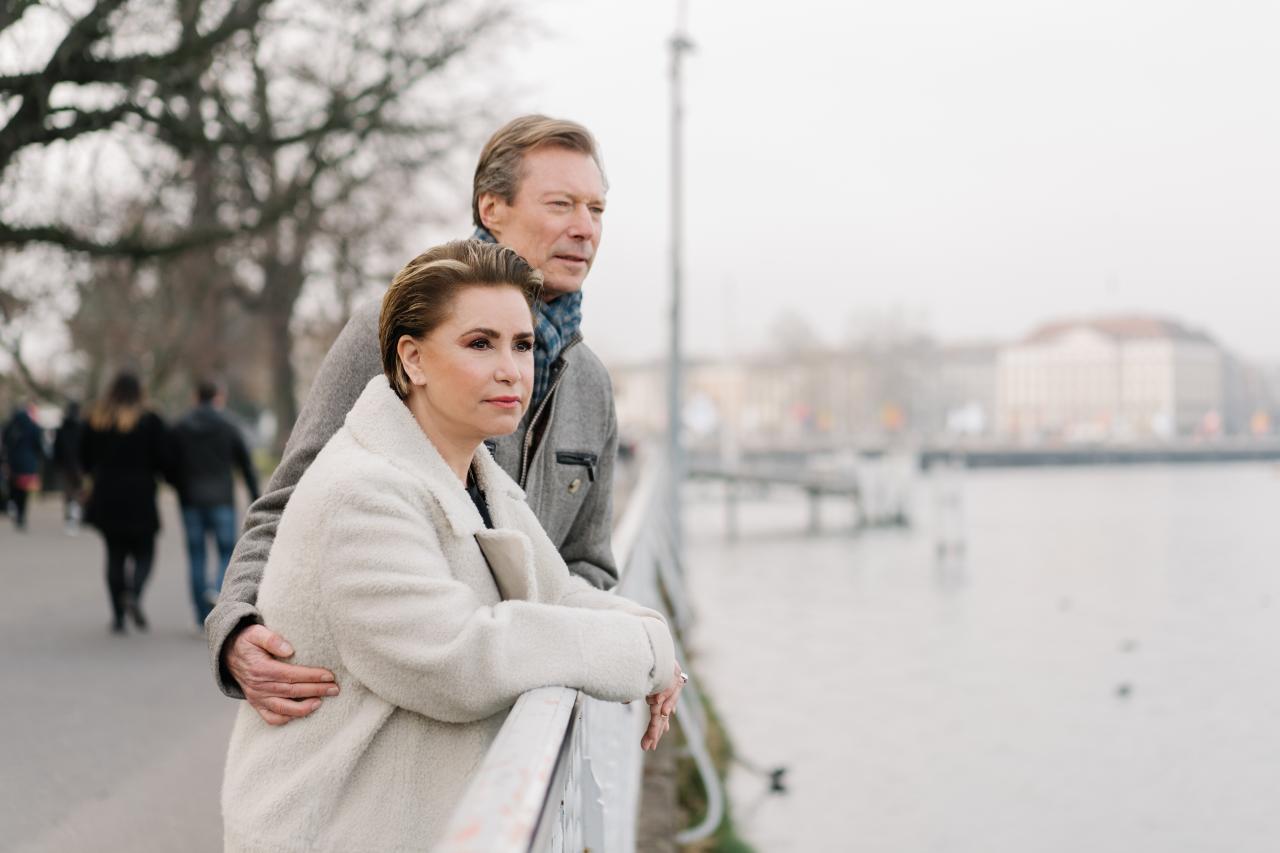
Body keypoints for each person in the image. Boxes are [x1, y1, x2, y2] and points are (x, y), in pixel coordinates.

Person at [208, 115, 685, 741]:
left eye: (596, 208)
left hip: (506, 724)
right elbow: (293, 501)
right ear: (492, 208)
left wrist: (591, 646)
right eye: (561, 204)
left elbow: (585, 564)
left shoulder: (591, 383)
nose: (585, 228)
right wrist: (236, 626)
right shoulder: (389, 332)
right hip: (382, 725)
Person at [221, 241, 677, 851]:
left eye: (523, 345)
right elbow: (458, 661)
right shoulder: (362, 489)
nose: (513, 369)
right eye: (480, 343)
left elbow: (559, 589)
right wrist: (637, 648)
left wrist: (650, 632)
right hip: (328, 829)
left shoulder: (479, 478)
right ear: (412, 360)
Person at [80, 372, 171, 634]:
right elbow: (164, 457)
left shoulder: (97, 418)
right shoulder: (150, 419)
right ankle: (133, 593)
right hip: (141, 494)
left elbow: (84, 457)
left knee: (114, 554)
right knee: (146, 551)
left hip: (107, 494)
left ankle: (118, 616)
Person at [172, 380, 260, 627]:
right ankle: (216, 590)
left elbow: (169, 463)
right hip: (222, 499)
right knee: (225, 552)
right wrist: (256, 497)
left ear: (195, 397)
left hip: (191, 500)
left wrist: (180, 486)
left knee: (196, 555)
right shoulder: (228, 426)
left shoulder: (180, 427)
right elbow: (245, 464)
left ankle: (201, 617)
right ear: (218, 398)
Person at [2, 402, 45, 531]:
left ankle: (14, 506)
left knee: (14, 487)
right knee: (24, 490)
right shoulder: (33, 427)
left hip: (12, 462)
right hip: (28, 463)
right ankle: (22, 514)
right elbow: (39, 445)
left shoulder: (10, 426)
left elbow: (5, 443)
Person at [52, 401, 85, 533]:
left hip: (66, 465)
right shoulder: (82, 427)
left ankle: (70, 517)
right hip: (80, 465)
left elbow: (57, 449)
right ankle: (76, 515)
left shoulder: (62, 428)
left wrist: (57, 463)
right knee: (78, 491)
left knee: (68, 492)